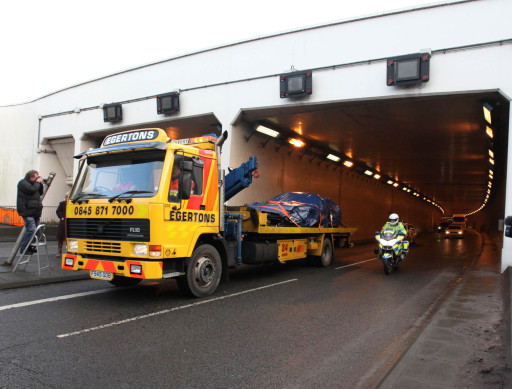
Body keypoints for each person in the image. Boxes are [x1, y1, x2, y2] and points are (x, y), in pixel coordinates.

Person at [17, 170, 44, 255]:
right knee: (32, 230)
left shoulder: (34, 184)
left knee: (38, 231)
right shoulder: (23, 183)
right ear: (31, 177)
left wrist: (41, 184)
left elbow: (40, 192)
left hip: (35, 211)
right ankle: (24, 248)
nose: (37, 179)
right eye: (36, 177)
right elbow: (31, 190)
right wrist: (37, 183)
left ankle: (30, 246)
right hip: (27, 210)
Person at [56, 192, 69, 257]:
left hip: (69, 224)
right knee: (60, 238)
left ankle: (69, 252)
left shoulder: (72, 204)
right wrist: (61, 217)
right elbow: (58, 211)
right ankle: (59, 252)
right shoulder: (62, 203)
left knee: (69, 239)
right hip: (63, 223)